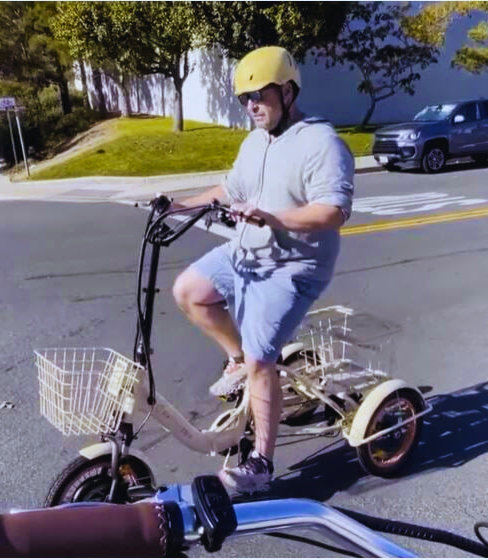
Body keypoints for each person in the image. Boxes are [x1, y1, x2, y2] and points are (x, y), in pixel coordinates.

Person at [170, 46, 355, 493]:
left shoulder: (321, 143)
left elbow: (333, 211)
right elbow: (229, 188)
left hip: (293, 265)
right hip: (248, 250)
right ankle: (237, 359)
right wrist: (178, 205)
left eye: (259, 95)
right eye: (244, 98)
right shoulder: (255, 141)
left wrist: (273, 218)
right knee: (189, 290)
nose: (251, 105)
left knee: (261, 358)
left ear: (287, 92)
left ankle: (261, 463)